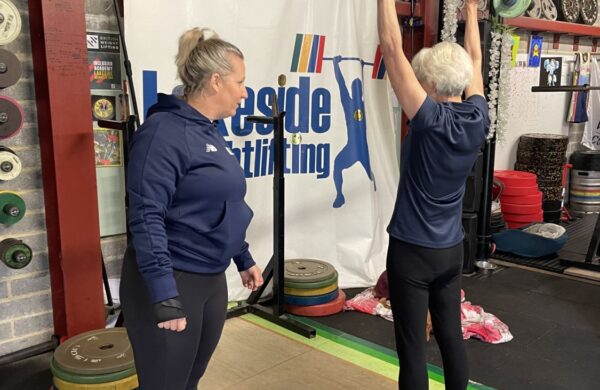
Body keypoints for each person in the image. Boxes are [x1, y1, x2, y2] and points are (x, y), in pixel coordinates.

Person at [119, 27, 264, 390]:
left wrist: (242, 256)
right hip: (172, 281)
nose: (245, 93)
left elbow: (222, 202)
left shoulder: (209, 131)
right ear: (216, 81)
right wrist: (164, 294)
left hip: (210, 280)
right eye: (240, 83)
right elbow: (146, 216)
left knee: (189, 380)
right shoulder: (161, 133)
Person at [377, 1, 489, 389]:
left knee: (411, 349)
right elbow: (475, 57)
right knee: (450, 336)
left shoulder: (427, 120)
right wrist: (471, 11)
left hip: (411, 252)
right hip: (449, 252)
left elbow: (392, 48)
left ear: (429, 85)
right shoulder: (478, 117)